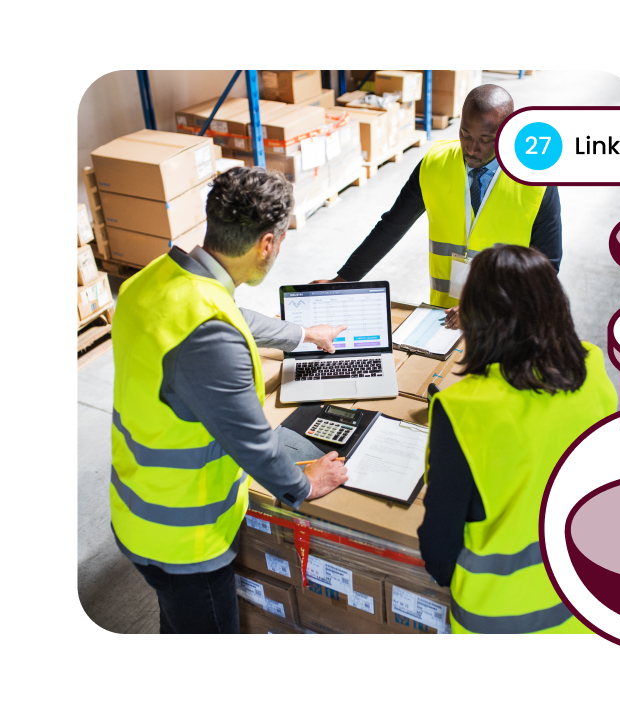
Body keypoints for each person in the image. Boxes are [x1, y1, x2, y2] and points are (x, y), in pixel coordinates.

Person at [110, 166, 349, 634]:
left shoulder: (155, 279)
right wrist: (306, 486)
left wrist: (302, 334)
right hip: (184, 540)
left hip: (137, 508)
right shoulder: (210, 335)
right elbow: (254, 443)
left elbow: (231, 313)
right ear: (267, 244)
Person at [417, 244, 618, 634]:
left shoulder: (462, 408)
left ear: (475, 320)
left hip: (496, 617)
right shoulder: (593, 367)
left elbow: (438, 553)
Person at [311, 84, 562, 329]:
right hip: (445, 318)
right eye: (465, 134)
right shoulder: (434, 165)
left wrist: (485, 308)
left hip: (507, 320)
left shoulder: (536, 181)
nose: (472, 149)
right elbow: (392, 225)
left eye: (486, 140)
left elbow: (548, 266)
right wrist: (342, 280)